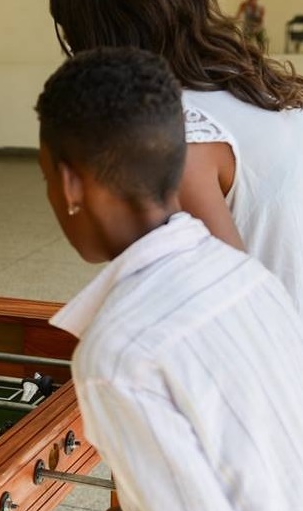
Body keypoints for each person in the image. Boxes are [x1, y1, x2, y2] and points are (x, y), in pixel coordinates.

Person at [36, 47, 303, 511]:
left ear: (70, 183)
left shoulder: (119, 355)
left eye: (46, 177)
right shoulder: (248, 276)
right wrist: (144, 509)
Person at [49, 0, 303, 313]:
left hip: (270, 335)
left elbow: (228, 304)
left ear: (95, 39)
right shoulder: (259, 87)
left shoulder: (178, 130)